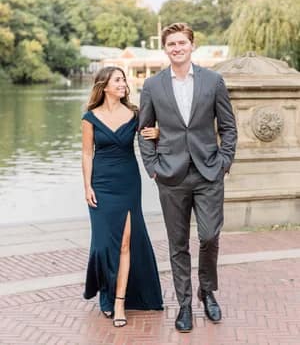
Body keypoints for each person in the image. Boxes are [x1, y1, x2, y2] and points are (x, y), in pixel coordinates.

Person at [138, 22, 237, 332]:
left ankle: (207, 292)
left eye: (182, 43)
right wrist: (153, 167)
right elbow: (144, 130)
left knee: (209, 237)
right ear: (165, 49)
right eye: (171, 44)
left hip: (209, 172)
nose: (177, 48)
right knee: (177, 243)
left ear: (192, 45)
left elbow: (228, 127)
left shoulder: (213, 81)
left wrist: (224, 161)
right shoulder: (153, 86)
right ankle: (184, 304)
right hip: (170, 175)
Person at [81, 66, 163, 328]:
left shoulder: (135, 115)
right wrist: (87, 186)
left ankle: (119, 302)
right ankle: (105, 292)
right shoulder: (90, 117)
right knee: (104, 244)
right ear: (104, 86)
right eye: (118, 80)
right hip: (101, 184)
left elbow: (156, 136)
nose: (123, 84)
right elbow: (86, 154)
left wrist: (159, 134)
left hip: (128, 182)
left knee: (126, 243)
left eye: (124, 80)